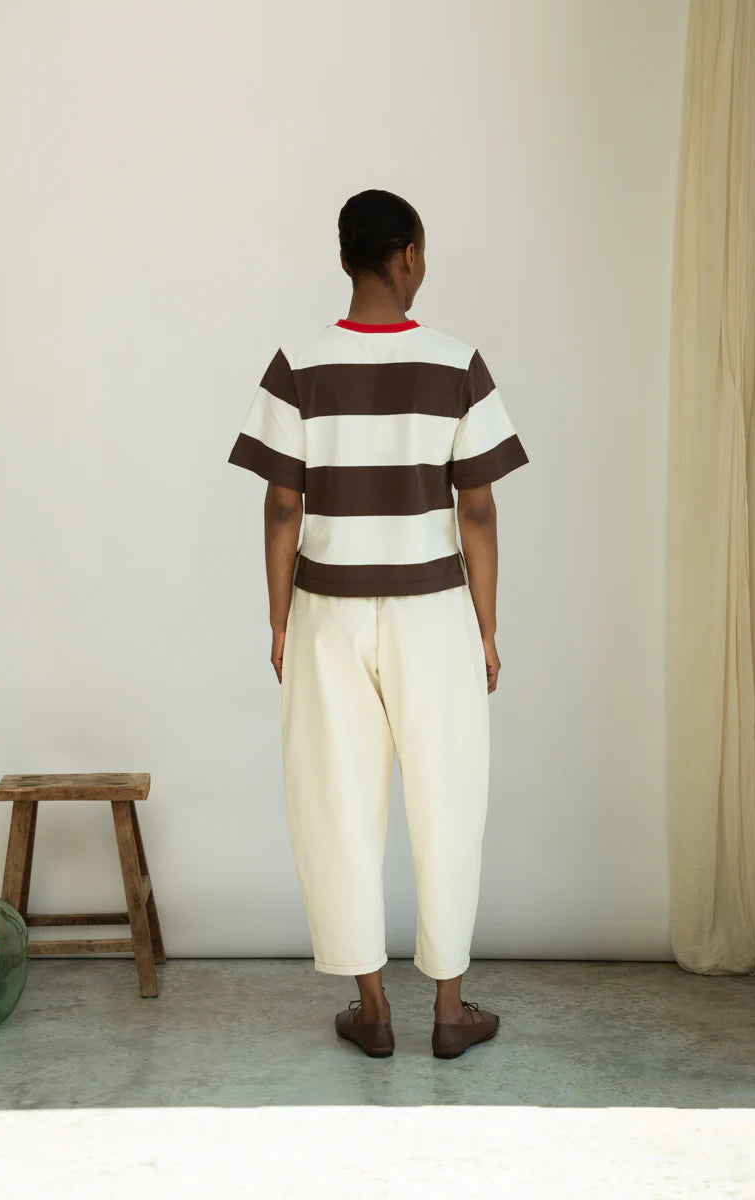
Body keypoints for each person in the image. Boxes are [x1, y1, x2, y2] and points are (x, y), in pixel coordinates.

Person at [228, 188, 529, 1059]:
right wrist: (486, 628)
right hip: (434, 612)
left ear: (344, 259)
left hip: (326, 613)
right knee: (449, 799)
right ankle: (449, 1011)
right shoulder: (457, 363)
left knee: (337, 802)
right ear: (409, 253)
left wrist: (279, 620)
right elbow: (478, 509)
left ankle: (372, 1010)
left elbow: (282, 506)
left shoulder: (297, 364)